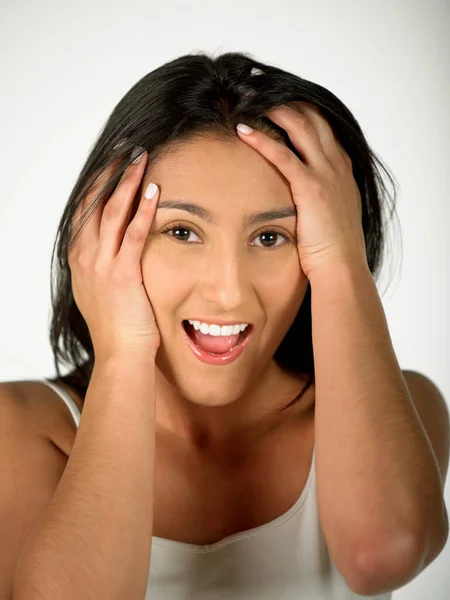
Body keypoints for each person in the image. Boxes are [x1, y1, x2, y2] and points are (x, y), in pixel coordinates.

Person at [1, 51, 448, 599]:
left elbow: (383, 554)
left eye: (270, 238)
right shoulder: (19, 431)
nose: (230, 291)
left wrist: (342, 264)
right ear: (103, 238)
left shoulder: (404, 410)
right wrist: (122, 354)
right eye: (183, 232)